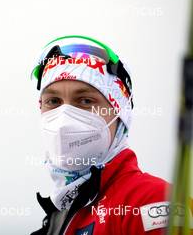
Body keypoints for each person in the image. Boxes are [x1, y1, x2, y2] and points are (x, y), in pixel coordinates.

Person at [30, 35, 170, 235]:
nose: (64, 119)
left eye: (85, 101)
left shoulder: (151, 201)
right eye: (53, 101)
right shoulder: (60, 216)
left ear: (119, 114)